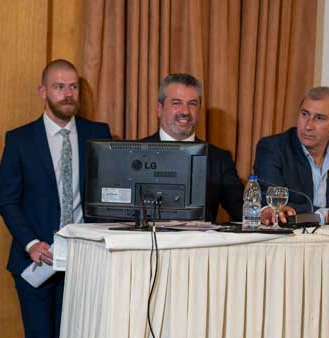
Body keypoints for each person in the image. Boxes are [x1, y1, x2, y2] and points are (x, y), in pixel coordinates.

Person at [0, 59, 111, 338]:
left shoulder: (98, 134)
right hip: (37, 259)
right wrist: (31, 243)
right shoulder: (19, 140)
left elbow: (110, 195)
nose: (68, 94)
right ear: (43, 91)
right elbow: (7, 202)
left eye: (73, 87)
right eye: (59, 87)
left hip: (83, 258)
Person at [140, 73, 245, 222]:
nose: (185, 111)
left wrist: (264, 212)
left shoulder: (219, 158)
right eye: (176, 103)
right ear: (159, 108)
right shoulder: (134, 153)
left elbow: (242, 209)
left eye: (192, 104)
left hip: (200, 237)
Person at [254, 86, 329, 225]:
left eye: (319, 118)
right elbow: (272, 203)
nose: (308, 126)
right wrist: (323, 215)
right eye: (304, 114)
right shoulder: (273, 148)